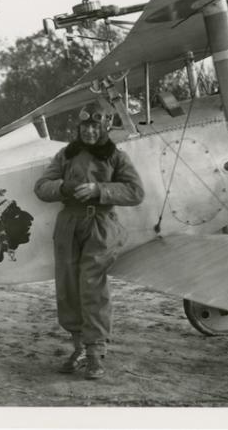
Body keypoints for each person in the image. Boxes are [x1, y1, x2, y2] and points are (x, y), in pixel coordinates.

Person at [34, 104, 145, 379]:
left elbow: (135, 192)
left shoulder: (116, 157)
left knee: (92, 286)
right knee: (68, 286)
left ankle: (95, 354)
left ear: (105, 128)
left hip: (100, 225)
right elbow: (41, 187)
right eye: (86, 127)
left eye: (96, 127)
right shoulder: (66, 155)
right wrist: (63, 187)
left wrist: (99, 189)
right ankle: (78, 348)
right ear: (79, 128)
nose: (91, 131)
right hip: (68, 225)